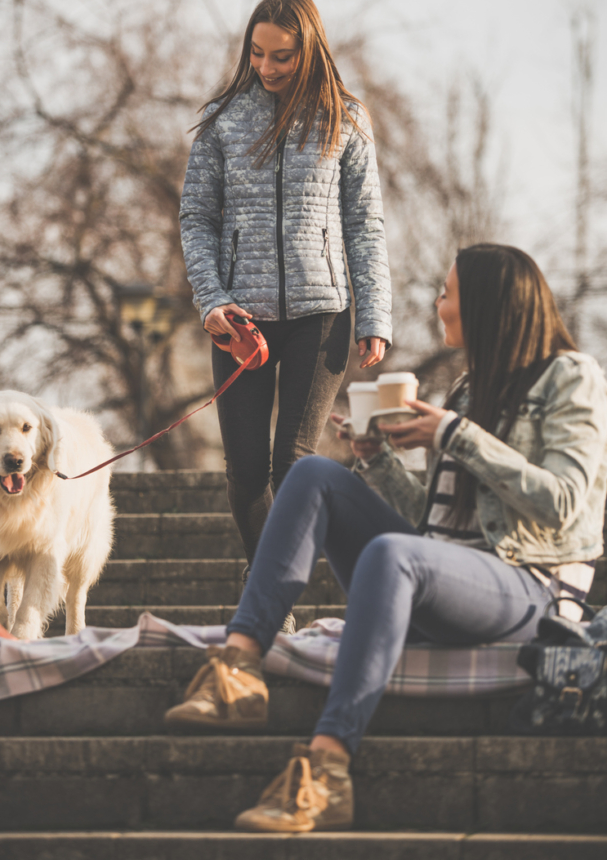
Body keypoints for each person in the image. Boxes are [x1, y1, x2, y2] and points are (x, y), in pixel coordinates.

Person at [164, 243, 607, 832]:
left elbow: (564, 502)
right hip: (451, 580)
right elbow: (433, 523)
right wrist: (377, 461)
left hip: (532, 594)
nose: (438, 305)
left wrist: (454, 435)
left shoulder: (571, 377)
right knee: (313, 474)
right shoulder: (469, 390)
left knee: (393, 554)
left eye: (447, 294)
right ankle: (238, 671)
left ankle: (328, 770)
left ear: (485, 303)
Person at [179, 0, 392, 621]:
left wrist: (375, 315)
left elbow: (366, 224)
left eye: (282, 56)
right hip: (240, 321)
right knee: (246, 469)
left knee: (292, 465)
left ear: (310, 50)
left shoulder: (346, 120)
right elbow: (196, 219)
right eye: (257, 53)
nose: (266, 67)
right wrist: (212, 301)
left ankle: (269, 599)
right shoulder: (222, 120)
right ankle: (268, 579)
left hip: (322, 316)